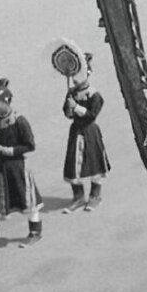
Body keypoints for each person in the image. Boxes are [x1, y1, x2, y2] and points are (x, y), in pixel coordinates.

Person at [0, 79, 44, 259]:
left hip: (18, 167)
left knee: (27, 200)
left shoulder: (20, 121)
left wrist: (6, 150)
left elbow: (29, 145)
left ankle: (35, 232)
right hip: (1, 169)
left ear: (7, 102)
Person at [62, 55, 112, 214]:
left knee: (94, 163)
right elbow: (67, 113)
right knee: (73, 164)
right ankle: (78, 196)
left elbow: (92, 115)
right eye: (74, 76)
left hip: (90, 131)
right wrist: (69, 109)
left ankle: (95, 195)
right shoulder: (71, 93)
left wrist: (76, 107)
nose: (75, 80)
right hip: (76, 131)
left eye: (79, 76)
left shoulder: (94, 95)